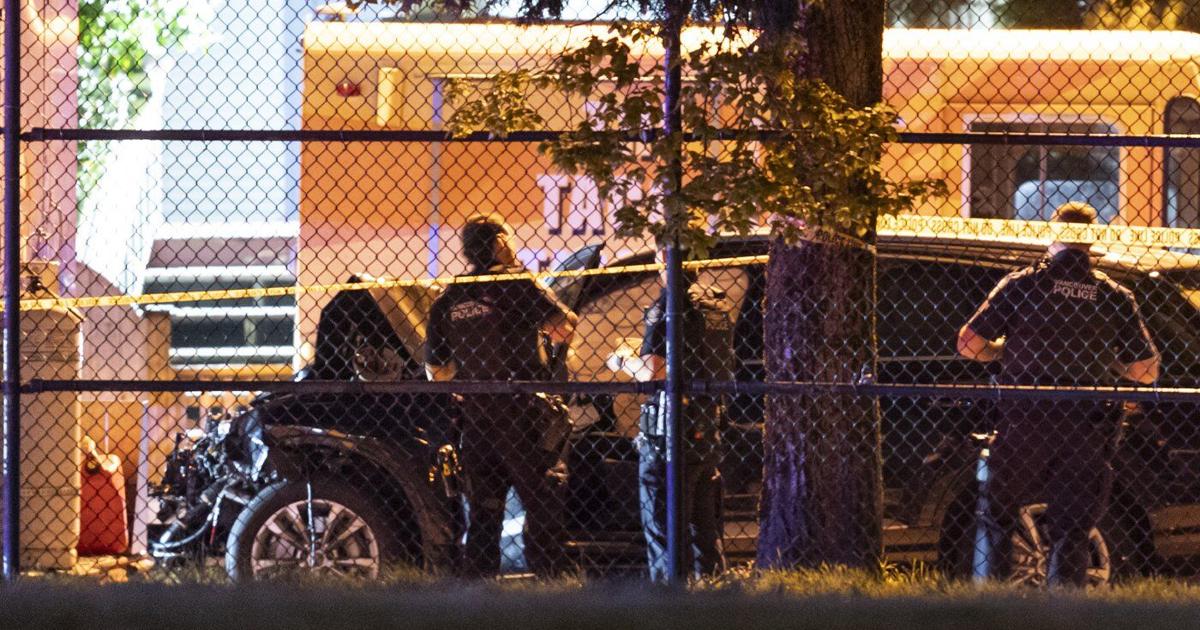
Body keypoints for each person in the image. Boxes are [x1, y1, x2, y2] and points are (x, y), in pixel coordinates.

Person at [957, 201, 1160, 587]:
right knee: (1073, 529)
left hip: (1024, 418)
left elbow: (968, 344)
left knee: (998, 515)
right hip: (1085, 423)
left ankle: (992, 602)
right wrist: (1107, 361)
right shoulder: (1113, 294)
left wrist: (1004, 351)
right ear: (1091, 241)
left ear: (1053, 237)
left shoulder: (1022, 284)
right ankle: (1065, 608)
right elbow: (1145, 371)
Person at [425, 213, 578, 578]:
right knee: (541, 503)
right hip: (524, 413)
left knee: (483, 511)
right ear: (499, 243)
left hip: (477, 418)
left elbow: (436, 369)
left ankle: (479, 590)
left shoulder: (450, 296)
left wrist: (468, 383)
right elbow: (563, 328)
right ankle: (551, 583)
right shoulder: (518, 284)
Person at [607, 247, 735, 581]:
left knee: (663, 528)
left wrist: (622, 359)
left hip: (667, 435)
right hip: (706, 427)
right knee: (703, 528)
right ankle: (713, 591)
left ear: (663, 259)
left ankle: (670, 596)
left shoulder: (666, 306)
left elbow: (653, 370)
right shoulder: (714, 303)